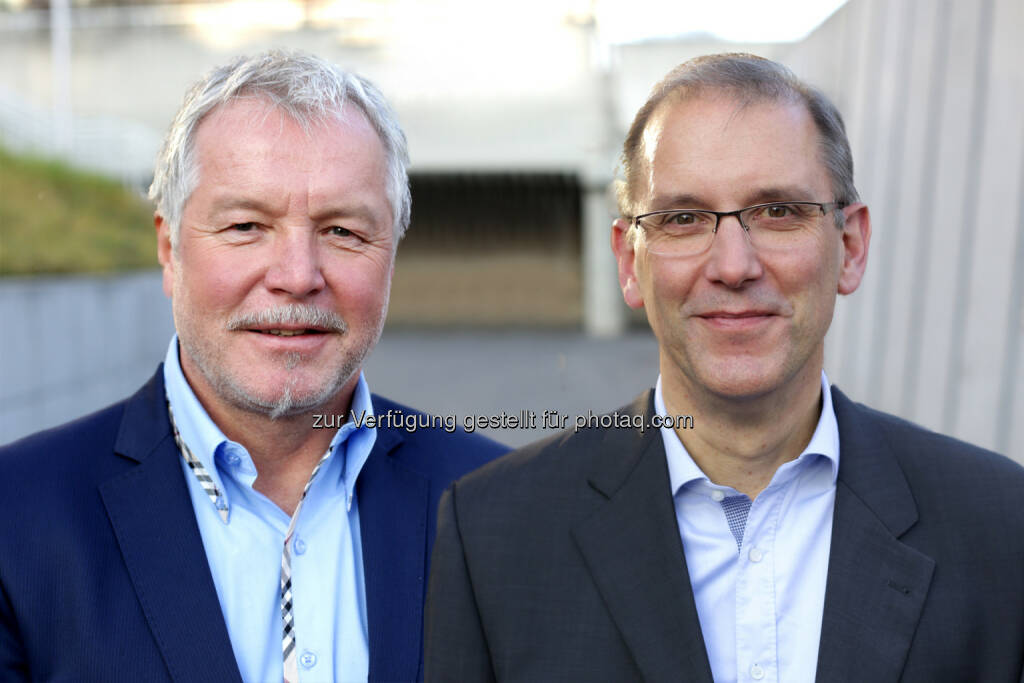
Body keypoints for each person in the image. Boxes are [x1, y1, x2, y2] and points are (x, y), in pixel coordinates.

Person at [424, 53, 1024, 682]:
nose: (733, 265)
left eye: (779, 212)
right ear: (630, 263)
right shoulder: (495, 534)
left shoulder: (999, 527)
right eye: (683, 219)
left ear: (849, 247)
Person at [0, 50, 506, 682]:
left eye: (344, 232)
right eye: (245, 226)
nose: (297, 277)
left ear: (392, 255)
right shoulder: (15, 519)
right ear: (169, 248)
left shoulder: (503, 503)